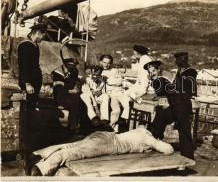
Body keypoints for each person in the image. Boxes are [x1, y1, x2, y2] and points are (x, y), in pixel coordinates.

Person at [30, 127, 174, 176]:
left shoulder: (140, 130)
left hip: (106, 136)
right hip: (111, 144)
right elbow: (168, 149)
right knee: (74, 153)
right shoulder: (147, 137)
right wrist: (158, 141)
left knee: (72, 146)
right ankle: (41, 169)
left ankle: (38, 154)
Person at [144, 53, 197, 160]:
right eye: (177, 60)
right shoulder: (178, 72)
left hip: (183, 105)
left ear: (185, 60)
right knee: (160, 117)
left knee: (184, 131)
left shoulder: (190, 72)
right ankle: (155, 143)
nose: (178, 62)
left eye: (181, 59)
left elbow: (185, 89)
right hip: (174, 104)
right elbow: (164, 91)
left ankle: (187, 157)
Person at [51, 58, 86, 131]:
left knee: (79, 100)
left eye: (73, 66)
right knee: (74, 102)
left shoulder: (74, 71)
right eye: (69, 66)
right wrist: (68, 89)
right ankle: (72, 124)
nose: (71, 68)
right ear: (64, 65)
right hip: (59, 95)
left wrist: (62, 83)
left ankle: (75, 124)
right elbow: (58, 89)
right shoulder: (57, 72)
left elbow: (71, 84)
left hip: (69, 93)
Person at [17, 23, 46, 110]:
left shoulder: (35, 46)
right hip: (29, 85)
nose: (42, 39)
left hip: (34, 84)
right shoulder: (25, 45)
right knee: (27, 108)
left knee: (32, 107)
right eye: (42, 36)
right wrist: (27, 83)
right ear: (38, 33)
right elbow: (24, 66)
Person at [98, 54, 130, 131]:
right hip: (107, 94)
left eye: (108, 63)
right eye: (104, 62)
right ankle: (107, 124)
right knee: (116, 107)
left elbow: (120, 81)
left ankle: (112, 126)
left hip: (116, 93)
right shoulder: (98, 71)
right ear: (100, 62)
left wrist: (110, 81)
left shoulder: (114, 70)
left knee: (117, 109)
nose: (106, 64)